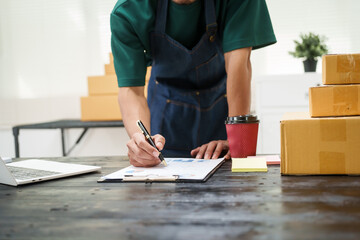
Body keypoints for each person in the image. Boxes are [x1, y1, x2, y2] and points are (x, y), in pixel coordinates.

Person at [110, 0, 276, 167]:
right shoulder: (129, 10)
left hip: (222, 112)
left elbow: (239, 63)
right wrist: (142, 143)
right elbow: (131, 90)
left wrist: (235, 140)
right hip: (166, 118)